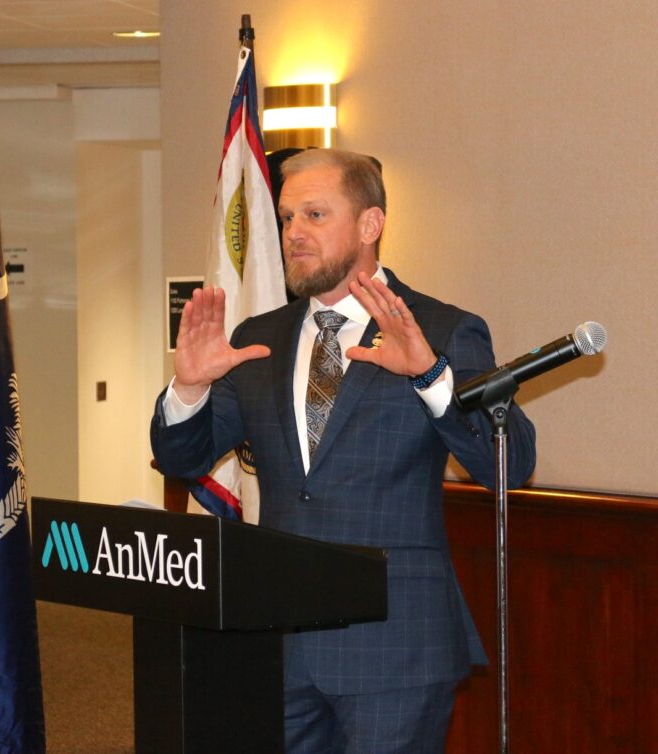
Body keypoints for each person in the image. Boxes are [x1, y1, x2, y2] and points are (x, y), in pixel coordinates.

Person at [151, 147, 536, 753]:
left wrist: (433, 379)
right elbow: (182, 458)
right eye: (285, 219)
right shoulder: (259, 339)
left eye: (314, 215)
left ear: (369, 225)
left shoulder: (440, 330)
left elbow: (511, 463)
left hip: (394, 644)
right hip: (278, 638)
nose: (293, 235)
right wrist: (189, 389)